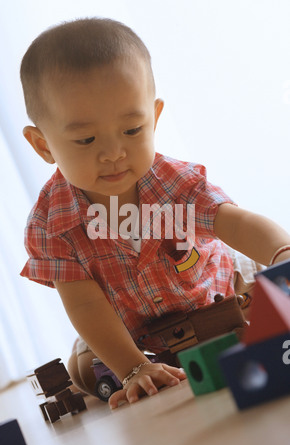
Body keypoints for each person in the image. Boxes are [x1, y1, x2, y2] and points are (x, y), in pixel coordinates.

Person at [20, 18, 290, 409]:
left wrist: (282, 253)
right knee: (87, 369)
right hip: (141, 334)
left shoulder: (174, 183)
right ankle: (124, 359)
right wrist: (132, 368)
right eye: (86, 139)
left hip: (221, 293)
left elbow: (237, 222)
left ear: (155, 116)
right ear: (43, 145)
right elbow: (84, 304)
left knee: (266, 302)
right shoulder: (50, 226)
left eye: (132, 130)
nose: (114, 152)